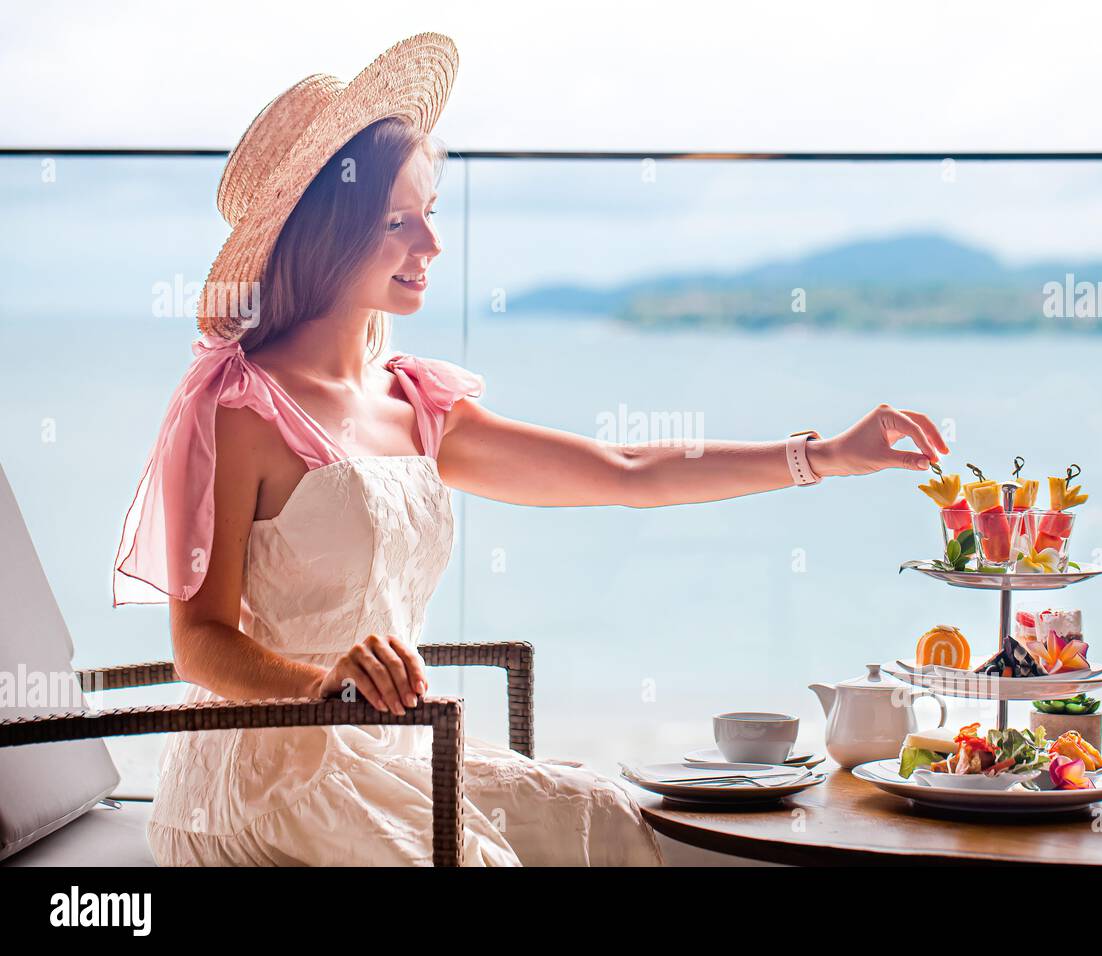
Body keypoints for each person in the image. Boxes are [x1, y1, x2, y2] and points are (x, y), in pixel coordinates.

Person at [112, 32, 948, 866]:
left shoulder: (416, 403)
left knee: (601, 814)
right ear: (327, 233)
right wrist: (323, 681)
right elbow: (201, 639)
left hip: (397, 751)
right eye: (398, 222)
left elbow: (624, 472)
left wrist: (824, 455)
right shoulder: (239, 409)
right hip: (267, 784)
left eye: (429, 215)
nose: (431, 247)